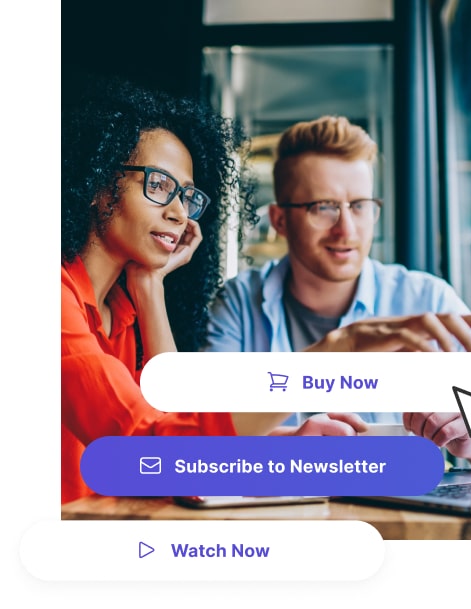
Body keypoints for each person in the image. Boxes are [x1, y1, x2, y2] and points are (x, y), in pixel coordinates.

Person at [61, 83, 367, 504]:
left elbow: (173, 418)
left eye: (186, 196)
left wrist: (151, 287)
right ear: (98, 185)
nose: (179, 213)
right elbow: (146, 442)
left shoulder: (120, 309)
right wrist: (332, 355)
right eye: (159, 185)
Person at [204, 115, 471, 468]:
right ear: (279, 221)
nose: (346, 230)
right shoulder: (238, 304)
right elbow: (200, 440)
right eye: (323, 207)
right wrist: (291, 447)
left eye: (359, 206)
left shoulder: (427, 300)